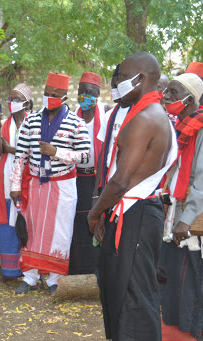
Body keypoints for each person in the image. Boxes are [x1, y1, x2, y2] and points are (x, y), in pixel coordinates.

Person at [88, 52, 177, 341]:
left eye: (123, 78)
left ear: (142, 79)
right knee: (122, 291)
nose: (117, 84)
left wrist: (94, 213)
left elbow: (121, 181)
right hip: (132, 213)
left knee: (134, 296)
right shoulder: (145, 113)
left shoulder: (146, 118)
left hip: (134, 215)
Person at [9, 72, 91, 295]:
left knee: (60, 233)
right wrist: (15, 185)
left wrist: (57, 152)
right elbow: (21, 156)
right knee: (32, 230)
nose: (49, 97)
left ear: (64, 96)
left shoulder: (76, 123)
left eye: (55, 94)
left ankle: (55, 279)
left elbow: (85, 156)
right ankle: (30, 277)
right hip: (34, 184)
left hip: (63, 186)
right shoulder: (31, 120)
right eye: (46, 93)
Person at [158, 73, 203, 340]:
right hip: (173, 212)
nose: (166, 96)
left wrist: (185, 220)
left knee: (191, 276)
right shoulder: (180, 127)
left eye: (173, 92)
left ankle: (193, 329)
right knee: (173, 275)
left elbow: (200, 180)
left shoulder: (199, 129)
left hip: (190, 218)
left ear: (189, 98)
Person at [0, 83, 33, 280]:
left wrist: (11, 149)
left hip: (29, 177)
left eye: (16, 99)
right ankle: (10, 270)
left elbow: (34, 151)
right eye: (10, 99)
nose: (11, 103)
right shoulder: (5, 124)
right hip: (6, 179)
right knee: (7, 222)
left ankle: (32, 268)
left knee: (29, 218)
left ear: (26, 103)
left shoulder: (33, 122)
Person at [68, 72, 104, 275]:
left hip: (97, 179)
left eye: (89, 92)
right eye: (81, 92)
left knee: (94, 221)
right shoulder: (71, 117)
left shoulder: (105, 117)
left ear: (97, 94)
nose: (85, 96)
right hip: (75, 177)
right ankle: (76, 270)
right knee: (76, 223)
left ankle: (95, 270)